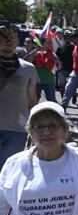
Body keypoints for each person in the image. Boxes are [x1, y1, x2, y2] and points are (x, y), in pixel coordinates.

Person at [0, 25, 38, 169]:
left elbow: (33, 102)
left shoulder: (28, 68)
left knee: (6, 171)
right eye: (3, 36)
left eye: (13, 37)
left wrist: (35, 128)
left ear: (17, 42)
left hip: (17, 131)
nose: (8, 40)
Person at [28, 38, 59, 102]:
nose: (50, 45)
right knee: (34, 101)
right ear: (42, 44)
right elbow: (28, 61)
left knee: (52, 101)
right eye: (48, 43)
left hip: (49, 82)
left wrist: (55, 60)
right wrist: (36, 50)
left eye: (50, 43)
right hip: (37, 82)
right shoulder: (35, 53)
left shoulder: (52, 54)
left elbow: (59, 65)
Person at [55, 31, 75, 102]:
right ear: (64, 39)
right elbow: (56, 58)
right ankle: (63, 99)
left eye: (69, 38)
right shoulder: (60, 48)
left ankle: (74, 95)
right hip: (62, 70)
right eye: (66, 38)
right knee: (61, 85)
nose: (68, 40)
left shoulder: (74, 48)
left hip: (72, 70)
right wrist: (58, 67)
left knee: (72, 85)